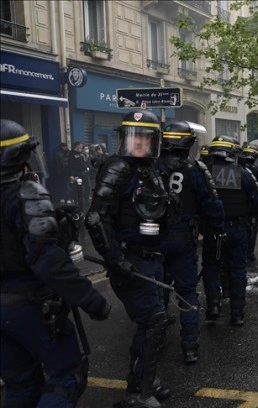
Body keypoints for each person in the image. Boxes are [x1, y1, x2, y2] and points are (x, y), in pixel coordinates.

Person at [1, 119, 111, 407]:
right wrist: (92, 300)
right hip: (28, 305)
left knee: (21, 384)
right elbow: (48, 263)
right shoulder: (26, 195)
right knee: (66, 376)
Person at [85, 110, 175, 407]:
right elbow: (96, 218)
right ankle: (138, 393)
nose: (138, 144)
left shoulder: (152, 171)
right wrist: (115, 258)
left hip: (154, 259)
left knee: (151, 323)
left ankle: (145, 378)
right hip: (132, 260)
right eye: (133, 137)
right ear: (124, 138)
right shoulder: (118, 168)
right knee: (153, 321)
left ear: (154, 141)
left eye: (144, 138)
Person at [156, 121, 224, 364]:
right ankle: (190, 346)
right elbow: (211, 205)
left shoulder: (151, 167)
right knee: (186, 293)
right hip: (183, 238)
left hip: (154, 240)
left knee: (158, 289)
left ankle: (157, 338)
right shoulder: (196, 169)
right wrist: (216, 230)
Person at [201, 136, 258, 326]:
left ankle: (214, 305)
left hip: (213, 230)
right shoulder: (243, 174)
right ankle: (237, 313)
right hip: (237, 229)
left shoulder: (203, 173)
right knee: (238, 270)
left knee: (212, 267)